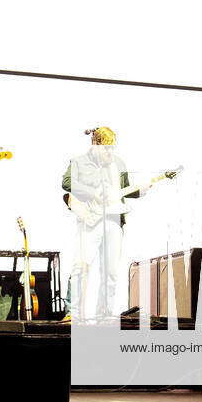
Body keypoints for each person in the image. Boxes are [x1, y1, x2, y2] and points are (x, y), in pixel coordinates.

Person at [61, 127, 142, 323]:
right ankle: (72, 312)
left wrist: (141, 189)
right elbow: (66, 183)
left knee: (111, 272)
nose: (109, 152)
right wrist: (92, 192)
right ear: (95, 144)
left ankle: (104, 314)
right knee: (81, 266)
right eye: (105, 148)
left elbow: (124, 190)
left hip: (114, 221)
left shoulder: (119, 163)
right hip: (90, 220)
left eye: (111, 148)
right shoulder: (79, 162)